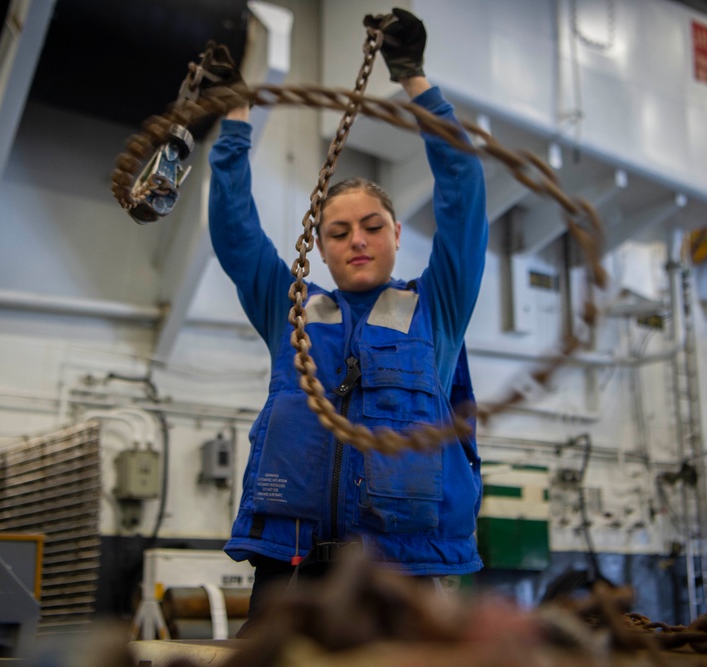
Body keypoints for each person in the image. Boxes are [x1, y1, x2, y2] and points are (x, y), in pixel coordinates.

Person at [206, 7, 489, 631]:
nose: (355, 241)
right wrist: (233, 115)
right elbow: (235, 233)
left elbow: (464, 193)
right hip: (293, 576)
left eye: (370, 227)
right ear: (321, 245)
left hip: (405, 579)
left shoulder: (435, 308)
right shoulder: (293, 312)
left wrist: (414, 79)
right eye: (337, 232)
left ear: (394, 236)